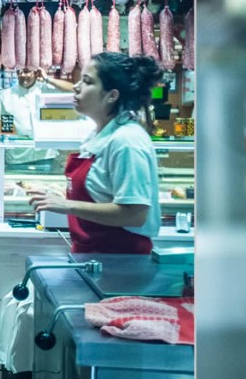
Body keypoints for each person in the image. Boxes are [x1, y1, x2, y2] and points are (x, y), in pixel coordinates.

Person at [28, 53, 162, 254]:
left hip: (121, 260)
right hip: (95, 257)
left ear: (112, 95)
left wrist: (67, 205)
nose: (76, 86)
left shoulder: (127, 140)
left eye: (87, 81)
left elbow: (135, 215)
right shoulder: (99, 134)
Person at [0, 68, 59, 171]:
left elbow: (73, 90)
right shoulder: (7, 95)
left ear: (35, 72)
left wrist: (47, 78)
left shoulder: (47, 91)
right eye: (19, 71)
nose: (22, 75)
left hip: (45, 156)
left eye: (26, 71)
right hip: (17, 158)